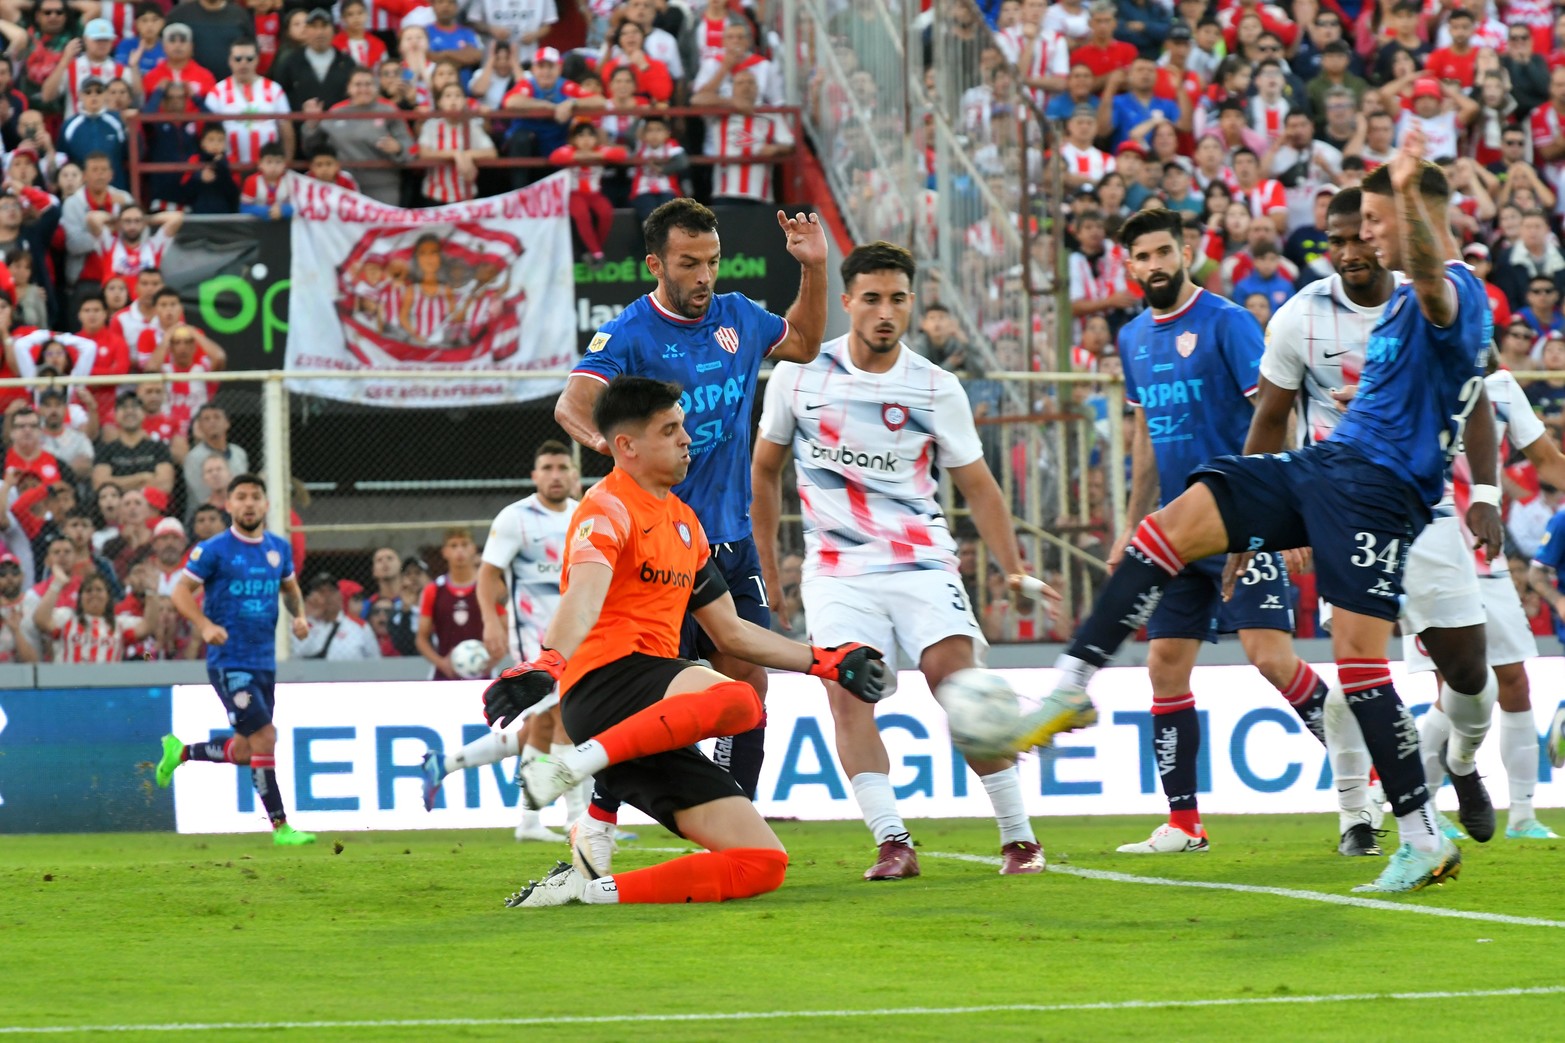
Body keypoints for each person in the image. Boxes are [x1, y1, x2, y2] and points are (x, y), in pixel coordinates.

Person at [1009, 135, 1493, 894]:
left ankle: (1421, 835)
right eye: (1360, 220)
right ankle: (1071, 684)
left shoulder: (1452, 295)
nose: (1364, 232)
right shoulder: (1376, 304)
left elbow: (1431, 269)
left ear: (1417, 218)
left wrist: (1410, 192)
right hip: (1323, 469)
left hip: (1382, 495)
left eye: (1376, 218)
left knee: (1360, 660)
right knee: (1169, 526)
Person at [492, 376, 886, 907]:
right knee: (738, 698)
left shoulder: (685, 524)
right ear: (626, 446)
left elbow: (732, 632)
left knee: (761, 864)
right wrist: (547, 663)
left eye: (683, 426)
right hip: (604, 686)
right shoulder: (605, 507)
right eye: (670, 429)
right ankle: (573, 766)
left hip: (649, 718)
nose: (687, 438)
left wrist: (831, 664)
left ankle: (590, 888)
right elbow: (583, 597)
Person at [752, 242, 1058, 878]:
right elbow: (764, 472)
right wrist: (766, 571)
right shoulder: (797, 374)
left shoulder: (935, 386)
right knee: (848, 697)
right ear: (846, 304)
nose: (884, 312)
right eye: (871, 299)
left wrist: (1013, 567)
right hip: (837, 571)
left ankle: (1019, 839)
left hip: (922, 564)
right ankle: (893, 841)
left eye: (896, 299)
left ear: (911, 303)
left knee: (961, 686)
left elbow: (977, 483)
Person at [1251, 186, 1507, 853]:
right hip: (1344, 508)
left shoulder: (1434, 301)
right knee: (1356, 670)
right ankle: (1355, 817)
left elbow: (1477, 397)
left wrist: (1483, 490)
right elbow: (1269, 421)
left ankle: (1458, 762)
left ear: (1383, 233)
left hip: (1425, 506)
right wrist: (1265, 520)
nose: (1345, 252)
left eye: (1357, 236)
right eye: (1332, 242)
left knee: (1470, 677)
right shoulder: (1297, 319)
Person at [553, 199, 826, 821]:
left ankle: (737, 811)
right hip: (657, 544)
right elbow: (572, 404)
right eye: (689, 263)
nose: (705, 276)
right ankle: (595, 828)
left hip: (727, 541)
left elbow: (806, 343)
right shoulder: (628, 332)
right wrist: (616, 450)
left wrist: (812, 268)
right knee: (631, 699)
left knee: (748, 684)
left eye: (712, 261)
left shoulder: (739, 319)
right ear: (656, 264)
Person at [1087, 207, 1332, 855]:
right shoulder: (1133, 337)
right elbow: (1145, 437)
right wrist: (1130, 522)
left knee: (1269, 657)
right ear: (1128, 265)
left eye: (1165, 251)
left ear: (1185, 250)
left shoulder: (1226, 322)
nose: (1155, 264)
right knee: (1164, 666)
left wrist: (1288, 509)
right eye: (1142, 256)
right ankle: (1183, 822)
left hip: (1241, 518)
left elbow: (1273, 412)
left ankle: (1367, 773)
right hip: (1174, 532)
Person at [420, 441, 581, 840]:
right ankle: (576, 819)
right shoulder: (517, 518)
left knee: (537, 730)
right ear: (535, 476)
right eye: (547, 467)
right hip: (535, 641)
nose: (556, 474)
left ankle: (447, 764)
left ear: (574, 475)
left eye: (563, 467)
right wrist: (491, 623)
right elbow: (488, 574)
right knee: (565, 720)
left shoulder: (584, 515)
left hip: (579, 637)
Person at [155, 473, 316, 846]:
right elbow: (181, 593)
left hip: (263, 663)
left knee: (245, 750)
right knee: (265, 736)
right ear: (228, 505)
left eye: (254, 497)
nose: (248, 503)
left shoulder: (277, 548)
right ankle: (281, 828)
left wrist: (299, 616)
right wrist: (204, 624)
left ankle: (179, 752)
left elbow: (290, 589)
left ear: (265, 505)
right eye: (240, 497)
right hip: (229, 663)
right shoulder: (213, 549)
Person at [415, 527, 486, 681]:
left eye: (464, 544)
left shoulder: (486, 588)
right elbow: (421, 638)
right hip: (444, 673)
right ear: (445, 552)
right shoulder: (433, 590)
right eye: (453, 546)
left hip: (483, 672)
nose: (459, 550)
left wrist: (489, 662)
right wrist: (441, 663)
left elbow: (504, 631)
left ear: (473, 549)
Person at [92, 390, 175, 496]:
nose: (129, 411)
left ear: (144, 414)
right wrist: (143, 478)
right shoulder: (105, 450)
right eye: (123, 407)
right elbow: (100, 485)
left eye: (135, 406)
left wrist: (116, 482)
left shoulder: (159, 448)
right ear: (115, 415)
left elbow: (165, 485)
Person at [293, 571, 381, 659]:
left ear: (340, 596)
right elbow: (293, 657)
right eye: (321, 592)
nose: (327, 597)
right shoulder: (301, 625)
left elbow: (375, 660)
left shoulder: (359, 627)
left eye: (331, 591)